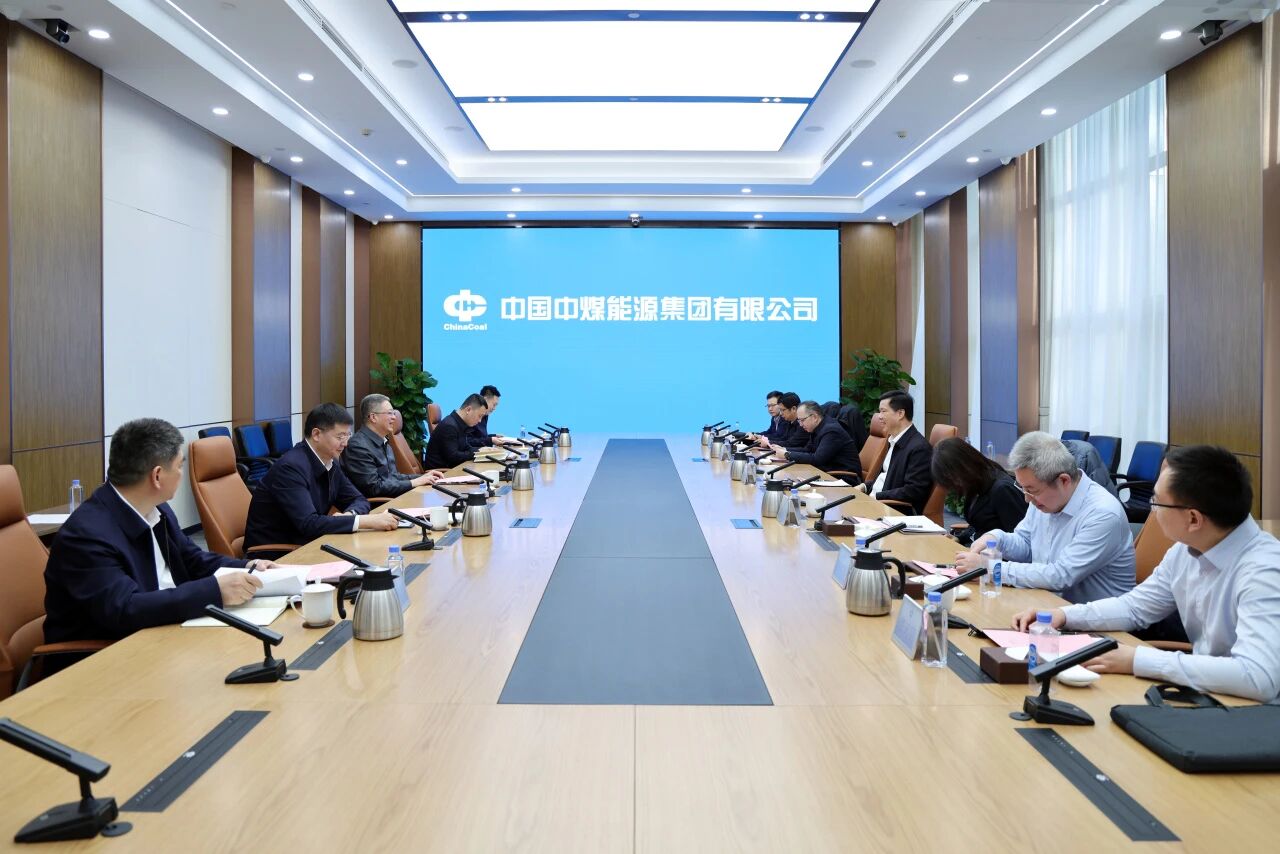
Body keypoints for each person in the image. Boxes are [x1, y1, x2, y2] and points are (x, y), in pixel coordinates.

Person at [1012, 446, 1280, 702]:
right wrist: (1064, 615)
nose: (1152, 511)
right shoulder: (1185, 550)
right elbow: (1135, 607)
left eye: (1157, 502)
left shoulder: (1264, 571)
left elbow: (1259, 677)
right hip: (1209, 694)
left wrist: (1137, 660)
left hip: (1255, 713)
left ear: (1194, 519)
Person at [43, 418, 275, 646]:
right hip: (110, 655)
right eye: (180, 466)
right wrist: (214, 591)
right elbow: (124, 610)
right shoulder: (86, 535)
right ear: (157, 476)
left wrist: (248, 566)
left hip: (165, 629)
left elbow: (191, 559)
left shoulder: (157, 508)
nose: (182, 473)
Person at [955, 431, 1134, 603]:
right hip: (1047, 603)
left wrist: (991, 567)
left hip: (1094, 618)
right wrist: (996, 538)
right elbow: (1026, 544)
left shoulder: (1102, 514)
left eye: (1031, 490)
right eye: (1023, 489)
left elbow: (1060, 576)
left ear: (1063, 480)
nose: (1027, 499)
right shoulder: (1043, 499)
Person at [244, 403, 396, 558]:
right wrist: (365, 521)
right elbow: (309, 524)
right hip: (276, 555)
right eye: (340, 437)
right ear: (316, 434)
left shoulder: (330, 462)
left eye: (347, 435)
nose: (345, 443)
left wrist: (350, 514)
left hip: (309, 544)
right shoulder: (290, 468)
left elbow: (359, 499)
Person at [931, 437, 1026, 546]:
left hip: (994, 553)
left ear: (964, 465)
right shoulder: (976, 483)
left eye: (953, 478)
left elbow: (1019, 540)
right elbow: (978, 527)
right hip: (976, 549)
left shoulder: (1002, 490)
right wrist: (959, 538)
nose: (954, 484)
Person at [342, 393, 441, 498]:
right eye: (390, 413)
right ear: (373, 417)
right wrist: (414, 482)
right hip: (379, 505)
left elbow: (393, 477)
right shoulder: (358, 447)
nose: (394, 417)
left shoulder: (383, 442)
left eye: (393, 413)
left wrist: (422, 477)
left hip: (394, 498)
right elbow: (374, 488)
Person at [861, 390, 933, 514]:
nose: (879, 416)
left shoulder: (919, 448)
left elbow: (913, 491)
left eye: (883, 411)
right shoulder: (894, 441)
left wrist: (876, 497)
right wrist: (864, 487)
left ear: (900, 414)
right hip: (876, 503)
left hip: (891, 512)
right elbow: (888, 478)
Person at [773, 400, 861, 483]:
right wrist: (784, 449)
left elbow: (817, 459)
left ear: (814, 417)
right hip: (827, 473)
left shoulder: (831, 430)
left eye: (802, 420)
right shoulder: (817, 427)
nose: (800, 425)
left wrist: (787, 455)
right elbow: (808, 449)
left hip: (843, 478)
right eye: (799, 421)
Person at [424, 393, 489, 470]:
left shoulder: (459, 423)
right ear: (468, 410)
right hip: (441, 473)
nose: (480, 420)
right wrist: (477, 452)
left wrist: (481, 450)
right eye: (479, 416)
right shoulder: (449, 426)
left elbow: (465, 447)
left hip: (452, 469)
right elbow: (453, 457)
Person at [466, 385, 508, 449]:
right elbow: (467, 441)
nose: (494, 408)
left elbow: (479, 437)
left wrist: (493, 436)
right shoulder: (471, 414)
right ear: (485, 400)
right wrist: (490, 440)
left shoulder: (485, 415)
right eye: (494, 404)